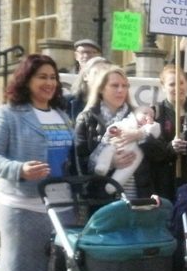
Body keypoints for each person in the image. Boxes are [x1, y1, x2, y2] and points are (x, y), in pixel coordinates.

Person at [0, 54, 74, 271]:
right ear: (26, 80)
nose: (50, 83)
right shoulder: (8, 114)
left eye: (53, 77)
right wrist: (19, 168)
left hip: (59, 205)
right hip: (21, 205)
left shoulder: (62, 116)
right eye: (42, 77)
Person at [75, 66, 159, 199]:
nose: (121, 90)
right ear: (101, 89)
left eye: (125, 86)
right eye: (115, 85)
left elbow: (159, 154)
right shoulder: (86, 118)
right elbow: (80, 163)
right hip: (102, 197)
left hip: (138, 194)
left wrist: (140, 135)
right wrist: (110, 163)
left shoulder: (138, 115)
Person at [151, 65, 187, 201]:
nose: (178, 88)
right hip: (163, 180)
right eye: (172, 84)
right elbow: (151, 148)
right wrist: (170, 148)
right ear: (163, 86)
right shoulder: (155, 113)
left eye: (181, 83)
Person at [93, 105, 161, 193]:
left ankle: (113, 187)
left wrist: (141, 133)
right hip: (117, 147)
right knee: (108, 150)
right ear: (134, 114)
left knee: (127, 169)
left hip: (134, 156)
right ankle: (102, 166)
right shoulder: (128, 122)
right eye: (145, 113)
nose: (148, 117)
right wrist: (113, 130)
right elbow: (114, 128)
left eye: (152, 116)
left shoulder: (150, 127)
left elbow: (155, 131)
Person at [66, 56, 110, 122]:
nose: (102, 78)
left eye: (106, 75)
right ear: (85, 76)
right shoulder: (66, 102)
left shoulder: (113, 106)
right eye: (97, 73)